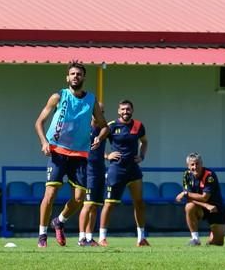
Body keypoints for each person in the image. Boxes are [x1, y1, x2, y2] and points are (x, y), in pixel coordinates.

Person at [34, 61, 108, 248]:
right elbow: (39, 122)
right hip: (57, 151)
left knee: (78, 198)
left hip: (80, 154)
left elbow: (104, 125)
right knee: (50, 194)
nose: (76, 76)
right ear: (67, 77)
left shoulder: (91, 100)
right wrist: (44, 142)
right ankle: (42, 235)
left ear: (84, 77)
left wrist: (99, 137)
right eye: (72, 74)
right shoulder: (59, 97)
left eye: (79, 74)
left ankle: (59, 221)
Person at [98, 99, 149, 247]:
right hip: (116, 170)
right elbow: (95, 143)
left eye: (128, 109)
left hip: (133, 170)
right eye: (123, 109)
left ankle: (141, 238)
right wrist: (107, 156)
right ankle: (102, 238)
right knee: (109, 204)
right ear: (118, 111)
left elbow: (144, 142)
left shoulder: (138, 126)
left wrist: (142, 156)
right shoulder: (111, 126)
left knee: (139, 203)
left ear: (132, 110)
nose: (125, 112)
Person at [175, 152, 225, 246]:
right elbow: (189, 197)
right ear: (188, 166)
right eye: (192, 164)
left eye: (197, 163)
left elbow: (204, 197)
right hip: (203, 207)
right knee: (189, 207)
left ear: (202, 164)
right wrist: (206, 205)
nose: (195, 167)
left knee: (217, 243)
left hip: (215, 209)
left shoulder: (209, 175)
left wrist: (185, 193)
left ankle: (212, 237)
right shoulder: (186, 175)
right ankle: (195, 239)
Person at [78, 102, 106, 246]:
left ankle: (89, 237)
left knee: (95, 205)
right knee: (87, 204)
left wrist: (107, 156)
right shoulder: (83, 128)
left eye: (102, 111)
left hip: (100, 170)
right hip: (88, 171)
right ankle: (81, 237)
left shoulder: (104, 129)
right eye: (97, 111)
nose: (100, 114)